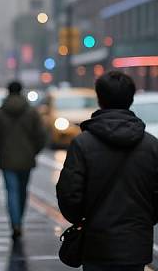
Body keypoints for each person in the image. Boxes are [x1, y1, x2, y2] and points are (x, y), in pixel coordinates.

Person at [57, 71, 158, 271]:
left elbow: (69, 194)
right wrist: (146, 219)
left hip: (96, 243)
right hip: (136, 244)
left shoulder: (82, 144)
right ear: (131, 99)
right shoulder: (151, 145)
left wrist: (81, 219)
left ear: (99, 98)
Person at [0, 81, 47, 240]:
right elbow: (41, 135)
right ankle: (19, 219)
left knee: (11, 192)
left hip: (7, 159)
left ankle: (15, 223)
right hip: (26, 158)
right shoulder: (31, 112)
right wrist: (33, 151)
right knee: (22, 191)